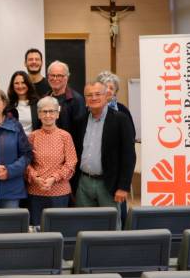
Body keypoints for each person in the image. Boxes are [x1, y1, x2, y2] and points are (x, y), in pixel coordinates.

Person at [73, 81, 136, 226]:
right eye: (89, 95)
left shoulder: (120, 119)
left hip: (109, 184)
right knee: (84, 226)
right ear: (85, 99)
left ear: (106, 96)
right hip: (84, 183)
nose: (93, 98)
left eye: (97, 94)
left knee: (111, 228)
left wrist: (123, 186)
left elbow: (129, 156)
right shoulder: (80, 121)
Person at [26, 96, 77, 226]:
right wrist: (35, 177)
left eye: (51, 111)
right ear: (38, 114)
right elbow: (26, 162)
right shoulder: (32, 137)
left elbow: (71, 162)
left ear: (57, 114)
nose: (48, 115)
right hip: (36, 191)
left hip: (59, 192)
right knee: (37, 230)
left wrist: (54, 178)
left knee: (58, 229)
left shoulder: (65, 136)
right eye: (44, 111)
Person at [95, 70, 136, 224]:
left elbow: (129, 144)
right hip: (96, 172)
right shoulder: (90, 110)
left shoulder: (123, 111)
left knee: (118, 216)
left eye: (111, 87)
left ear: (115, 91)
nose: (108, 90)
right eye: (105, 86)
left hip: (117, 174)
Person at [46, 60, 86, 135]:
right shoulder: (44, 99)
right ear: (48, 77)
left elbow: (80, 131)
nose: (55, 78)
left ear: (67, 77)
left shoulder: (76, 100)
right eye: (52, 75)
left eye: (59, 75)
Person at [5, 70, 40, 135]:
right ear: (12, 86)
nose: (20, 86)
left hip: (33, 142)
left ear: (28, 84)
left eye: (23, 82)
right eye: (16, 83)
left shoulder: (37, 104)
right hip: (14, 143)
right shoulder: (7, 105)